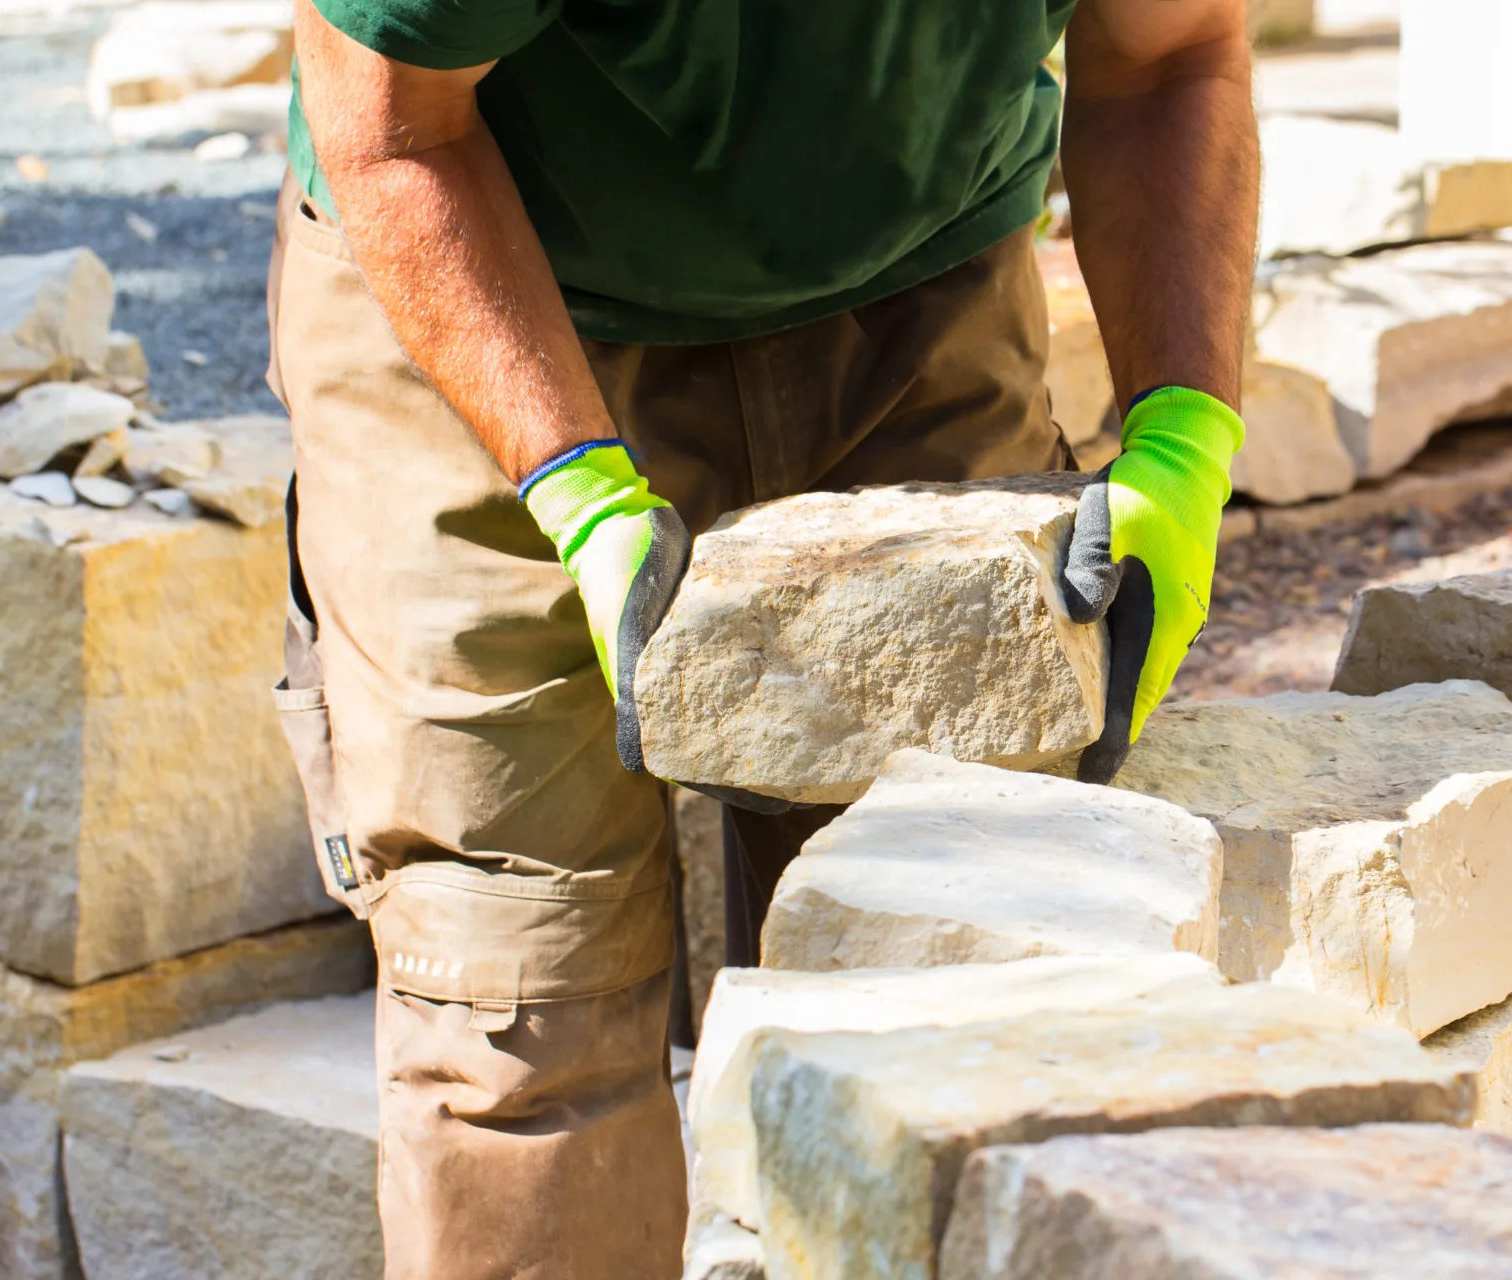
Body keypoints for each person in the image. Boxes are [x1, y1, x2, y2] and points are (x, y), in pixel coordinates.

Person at [268, 0, 1258, 1270]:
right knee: (519, 1005)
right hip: (486, 276)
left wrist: (1186, 437)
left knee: (942, 956)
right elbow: (392, 132)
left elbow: (1171, 52)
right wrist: (578, 493)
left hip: (914, 287)